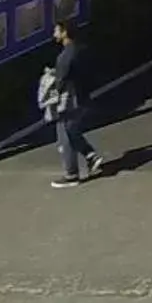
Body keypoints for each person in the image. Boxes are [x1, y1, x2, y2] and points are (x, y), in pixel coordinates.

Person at [42, 18, 104, 187]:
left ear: (64, 33)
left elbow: (61, 81)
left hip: (70, 99)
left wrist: (51, 93)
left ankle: (73, 173)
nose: (54, 34)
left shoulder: (65, 56)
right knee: (71, 129)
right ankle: (89, 158)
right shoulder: (79, 50)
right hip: (82, 95)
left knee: (66, 132)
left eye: (56, 30)